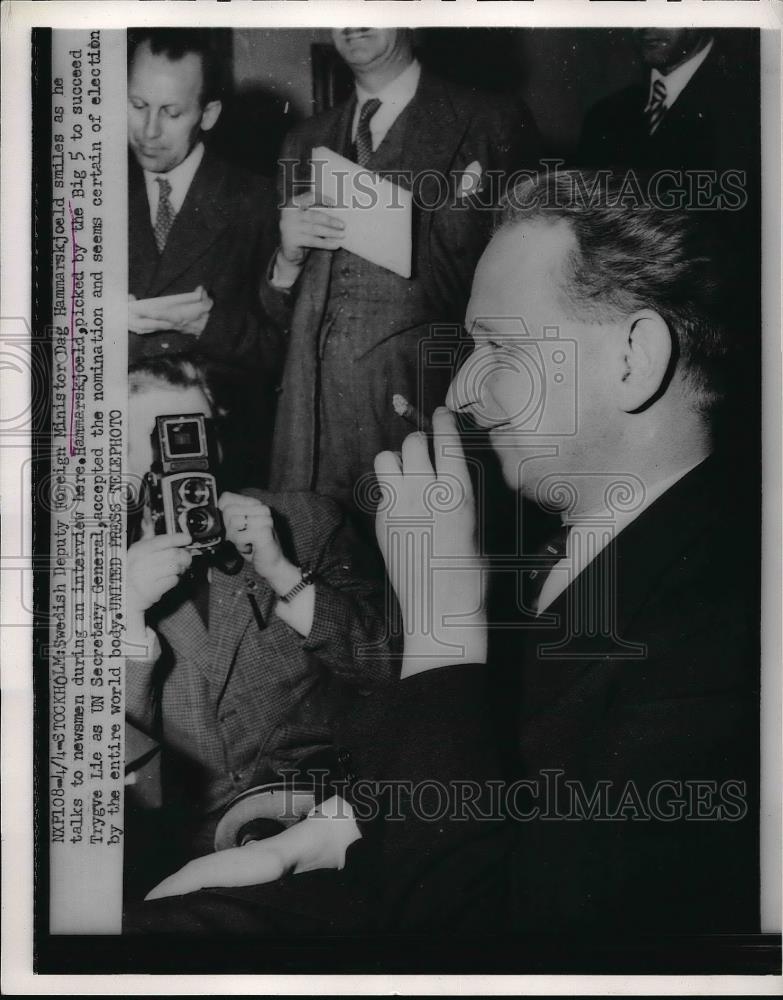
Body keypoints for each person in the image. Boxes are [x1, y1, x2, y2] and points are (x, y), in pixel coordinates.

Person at [126, 171, 759, 939]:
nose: (460, 390)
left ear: (634, 357)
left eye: (497, 346)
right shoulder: (557, 540)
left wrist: (442, 631)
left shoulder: (735, 642)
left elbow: (493, 945)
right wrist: (310, 841)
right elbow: (499, 769)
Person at [123, 353, 397, 888]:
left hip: (337, 818)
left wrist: (283, 574)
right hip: (195, 854)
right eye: (161, 440)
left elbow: (395, 671)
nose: (184, 456)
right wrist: (125, 618)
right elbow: (116, 774)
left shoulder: (302, 522)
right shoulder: (89, 574)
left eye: (198, 432)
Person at [261, 27, 537, 519]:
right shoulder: (303, 140)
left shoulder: (488, 122)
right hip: (308, 434)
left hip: (420, 419)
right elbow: (274, 320)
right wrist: (287, 262)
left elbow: (524, 295)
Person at [127, 28, 281, 484]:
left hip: (222, 454)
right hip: (116, 450)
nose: (149, 131)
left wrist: (208, 326)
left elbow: (287, 349)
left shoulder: (257, 202)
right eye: (137, 106)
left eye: (171, 113)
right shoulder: (80, 190)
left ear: (208, 114)